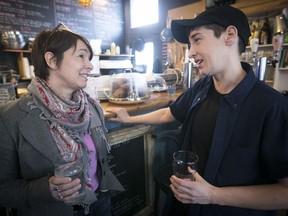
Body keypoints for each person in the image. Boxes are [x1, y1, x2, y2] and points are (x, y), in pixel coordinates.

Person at [107, 5, 288, 216]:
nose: (190, 52)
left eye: (197, 39)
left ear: (229, 35)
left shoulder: (272, 107)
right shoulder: (202, 87)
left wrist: (212, 195)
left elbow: (284, 192)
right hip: (185, 206)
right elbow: (169, 113)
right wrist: (129, 119)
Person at [0, 23, 123, 216]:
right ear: (52, 60)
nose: (90, 64)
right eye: (81, 56)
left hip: (99, 203)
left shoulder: (91, 107)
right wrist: (45, 189)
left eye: (89, 58)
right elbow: (4, 189)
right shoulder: (10, 117)